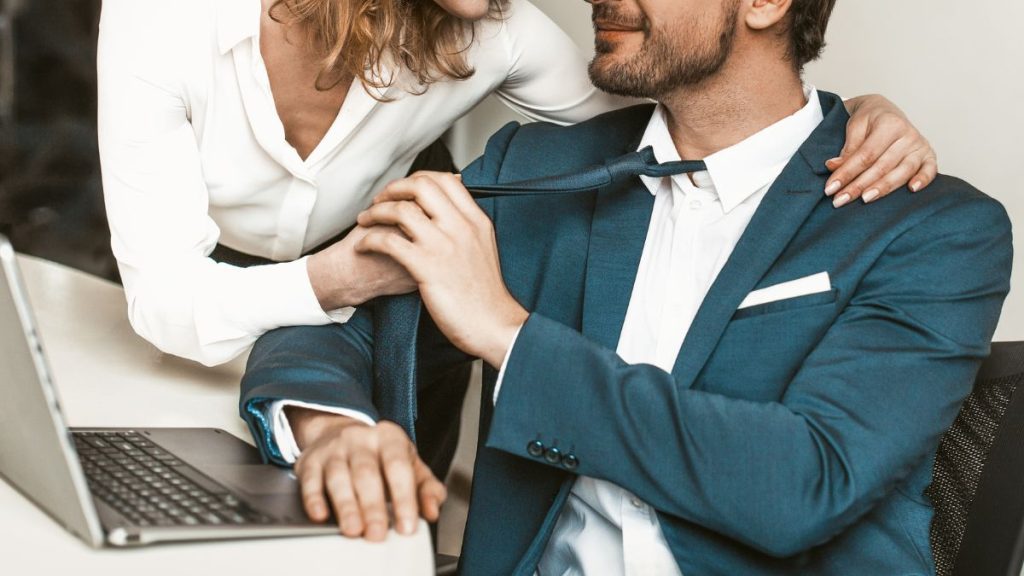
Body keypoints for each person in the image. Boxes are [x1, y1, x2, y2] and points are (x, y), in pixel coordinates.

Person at [238, 0, 1013, 574]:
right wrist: (331, 428)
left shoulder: (936, 231)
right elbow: (334, 310)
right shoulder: (535, 169)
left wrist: (509, 336)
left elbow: (805, 483)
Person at [97, 0, 937, 490]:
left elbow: (682, 119)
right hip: (197, 290)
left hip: (372, 296)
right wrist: (327, 406)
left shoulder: (499, 34)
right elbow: (167, 298)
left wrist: (848, 118)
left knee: (374, 516)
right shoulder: (168, 21)